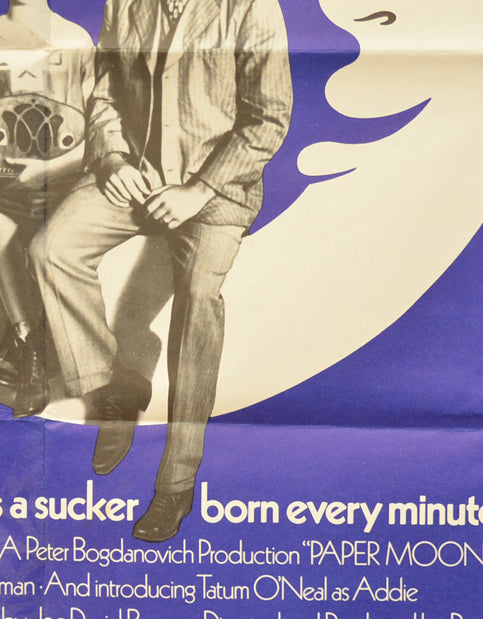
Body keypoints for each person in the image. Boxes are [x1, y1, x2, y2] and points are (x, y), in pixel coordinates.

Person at [31, 0, 292, 542]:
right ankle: (114, 390)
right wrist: (112, 159)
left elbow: (269, 118)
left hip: (216, 190)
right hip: (136, 174)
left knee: (198, 302)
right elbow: (105, 92)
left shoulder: (252, 7)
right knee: (51, 249)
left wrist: (199, 190)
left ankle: (177, 482)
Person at [0, 0, 92, 417]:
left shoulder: (75, 40)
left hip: (61, 180)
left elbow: (99, 132)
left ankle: (39, 349)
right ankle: (28, 348)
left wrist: (48, 170)